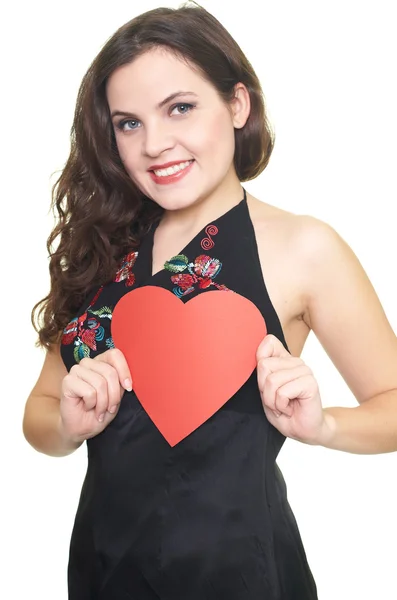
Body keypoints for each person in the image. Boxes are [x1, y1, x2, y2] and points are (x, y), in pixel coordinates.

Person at [23, 3, 397, 599]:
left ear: (237, 104)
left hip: (241, 575)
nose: (154, 144)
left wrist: (324, 427)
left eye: (180, 108)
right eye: (128, 123)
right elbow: (39, 413)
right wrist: (68, 426)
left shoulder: (305, 247)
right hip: (103, 571)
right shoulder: (103, 244)